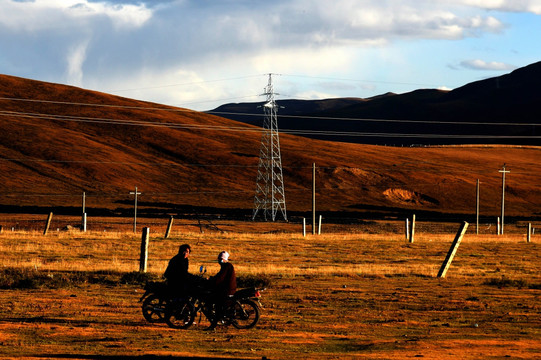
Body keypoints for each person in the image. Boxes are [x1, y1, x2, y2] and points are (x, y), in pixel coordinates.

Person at [207, 251, 237, 330]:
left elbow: (220, 278)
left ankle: (214, 323)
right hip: (227, 289)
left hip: (228, 290)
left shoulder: (227, 266)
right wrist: (212, 278)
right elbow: (219, 276)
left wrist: (212, 281)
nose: (219, 260)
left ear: (224, 259)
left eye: (221, 258)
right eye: (219, 258)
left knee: (217, 303)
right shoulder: (225, 266)